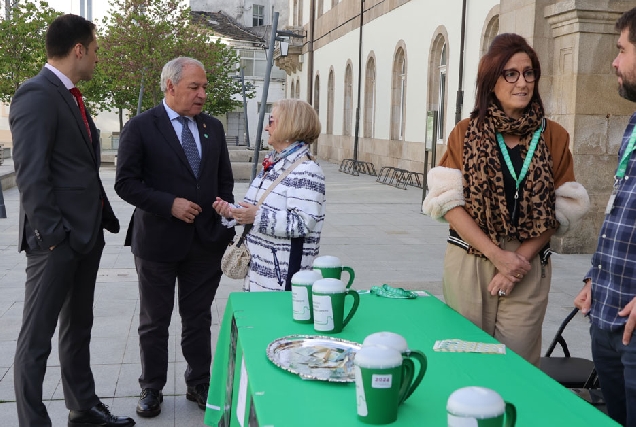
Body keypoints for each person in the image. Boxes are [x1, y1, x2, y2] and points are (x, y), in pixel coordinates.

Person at [423, 33, 589, 366]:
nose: (522, 82)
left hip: (527, 263)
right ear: (491, 81)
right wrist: (495, 255)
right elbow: (448, 202)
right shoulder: (465, 132)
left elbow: (562, 209)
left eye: (529, 73)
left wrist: (514, 265)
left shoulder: (553, 135)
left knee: (517, 365)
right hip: (471, 258)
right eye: (510, 73)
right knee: (465, 360)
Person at [9, 14, 134, 427]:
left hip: (84, 235)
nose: (98, 58)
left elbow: (76, 167)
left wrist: (100, 216)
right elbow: (31, 174)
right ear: (78, 49)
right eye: (96, 51)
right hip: (55, 242)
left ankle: (83, 408)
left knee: (78, 327)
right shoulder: (36, 94)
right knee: (36, 340)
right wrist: (52, 236)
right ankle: (33, 421)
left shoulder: (72, 96)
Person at [115, 57, 235, 418]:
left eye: (204, 87)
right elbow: (125, 183)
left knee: (198, 317)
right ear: (170, 86)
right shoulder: (140, 127)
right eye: (194, 87)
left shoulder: (212, 127)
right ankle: (151, 387)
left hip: (204, 243)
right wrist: (170, 204)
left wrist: (222, 214)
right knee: (155, 320)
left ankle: (199, 382)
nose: (202, 94)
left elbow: (223, 180)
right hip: (157, 242)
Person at [574, 7, 636, 426]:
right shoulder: (633, 125)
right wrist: (595, 278)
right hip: (607, 314)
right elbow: (621, 212)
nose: (613, 62)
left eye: (622, 49)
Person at [213, 99, 326, 292]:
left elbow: (303, 222)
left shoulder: (307, 170)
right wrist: (233, 212)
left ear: (289, 125)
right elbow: (256, 208)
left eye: (272, 121)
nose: (267, 127)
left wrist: (256, 216)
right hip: (260, 270)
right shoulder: (275, 163)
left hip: (282, 278)